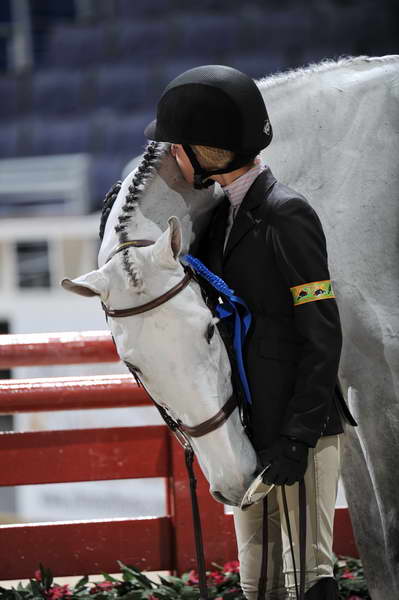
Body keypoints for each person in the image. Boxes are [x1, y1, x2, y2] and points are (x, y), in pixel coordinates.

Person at [144, 65, 358, 600]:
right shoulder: (217, 221)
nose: (171, 156)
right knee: (256, 584)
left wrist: (298, 435)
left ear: (205, 150)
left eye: (177, 146)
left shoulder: (287, 215)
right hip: (245, 428)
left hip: (297, 426)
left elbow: (323, 332)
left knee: (311, 580)